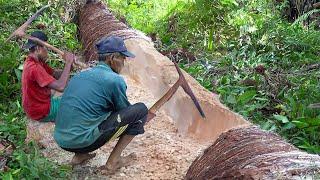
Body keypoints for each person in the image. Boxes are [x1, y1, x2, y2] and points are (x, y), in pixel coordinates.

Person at [54, 36, 149, 173]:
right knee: (140, 110)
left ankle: (79, 156)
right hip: (82, 141)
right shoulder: (114, 80)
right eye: (123, 58)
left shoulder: (80, 75)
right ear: (112, 58)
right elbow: (124, 111)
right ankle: (113, 162)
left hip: (61, 140)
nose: (124, 62)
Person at [22, 31, 75, 122]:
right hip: (41, 111)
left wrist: (69, 66)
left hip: (37, 105)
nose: (47, 52)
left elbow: (55, 74)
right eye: (46, 48)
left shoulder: (35, 62)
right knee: (78, 103)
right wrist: (68, 62)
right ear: (38, 49)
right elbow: (61, 86)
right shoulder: (34, 68)